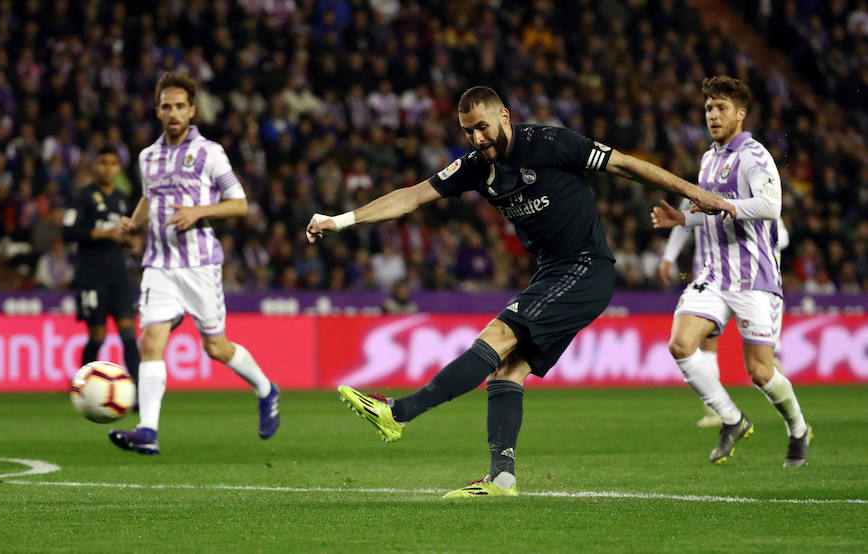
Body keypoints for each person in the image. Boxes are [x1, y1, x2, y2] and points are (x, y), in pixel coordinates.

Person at [307, 86, 735, 497]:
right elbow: (412, 197)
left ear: (504, 117)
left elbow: (626, 165)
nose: (477, 138)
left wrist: (697, 194)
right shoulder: (475, 166)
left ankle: (397, 413)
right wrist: (341, 220)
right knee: (506, 371)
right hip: (553, 272)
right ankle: (502, 479)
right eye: (468, 131)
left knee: (496, 336)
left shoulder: (549, 142)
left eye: (483, 127)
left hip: (585, 267)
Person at [109, 73, 279, 455]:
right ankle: (147, 430)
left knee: (216, 348)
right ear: (158, 111)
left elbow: (239, 203)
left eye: (180, 106)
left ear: (192, 110)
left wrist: (198, 212)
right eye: (166, 106)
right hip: (158, 263)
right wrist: (134, 222)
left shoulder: (211, 153)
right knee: (150, 340)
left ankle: (266, 389)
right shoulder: (147, 156)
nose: (173, 113)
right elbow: (149, 197)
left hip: (199, 265)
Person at [651, 76, 811, 467]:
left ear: (740, 114)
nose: (712, 115)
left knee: (760, 372)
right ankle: (731, 418)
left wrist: (724, 204)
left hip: (753, 278)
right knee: (680, 344)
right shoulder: (709, 158)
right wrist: (684, 220)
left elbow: (771, 207)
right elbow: (710, 213)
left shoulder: (755, 156)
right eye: (708, 108)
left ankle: (798, 428)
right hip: (712, 276)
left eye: (721, 108)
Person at [659, 199, 790, 428]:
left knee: (763, 356)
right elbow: (684, 223)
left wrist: (759, 236)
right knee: (706, 343)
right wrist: (669, 256)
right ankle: (714, 411)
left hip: (751, 280)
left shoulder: (749, 192)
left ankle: (787, 410)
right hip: (710, 277)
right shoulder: (693, 192)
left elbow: (782, 236)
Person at [62, 145, 140, 382]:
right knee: (97, 336)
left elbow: (122, 232)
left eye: (113, 163)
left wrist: (129, 241)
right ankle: (83, 385)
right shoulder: (82, 197)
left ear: (119, 168)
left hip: (118, 275)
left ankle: (138, 393)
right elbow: (68, 231)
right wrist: (104, 234)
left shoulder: (121, 199)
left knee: (128, 332)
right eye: (103, 162)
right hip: (91, 274)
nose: (108, 168)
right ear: (95, 166)